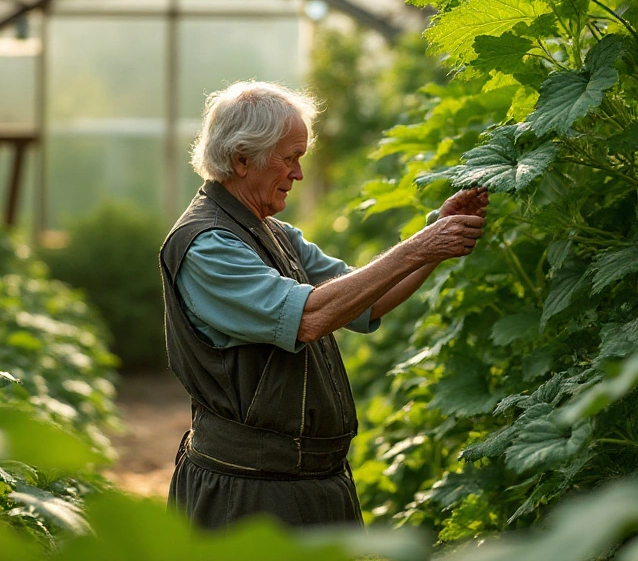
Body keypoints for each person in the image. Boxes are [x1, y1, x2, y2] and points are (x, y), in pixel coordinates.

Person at [160, 80, 488, 529]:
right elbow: (308, 317)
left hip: (307, 482)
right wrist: (417, 248)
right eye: (290, 158)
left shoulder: (272, 233)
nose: (298, 174)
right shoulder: (207, 246)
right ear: (241, 159)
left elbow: (366, 302)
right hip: (248, 495)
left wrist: (436, 234)